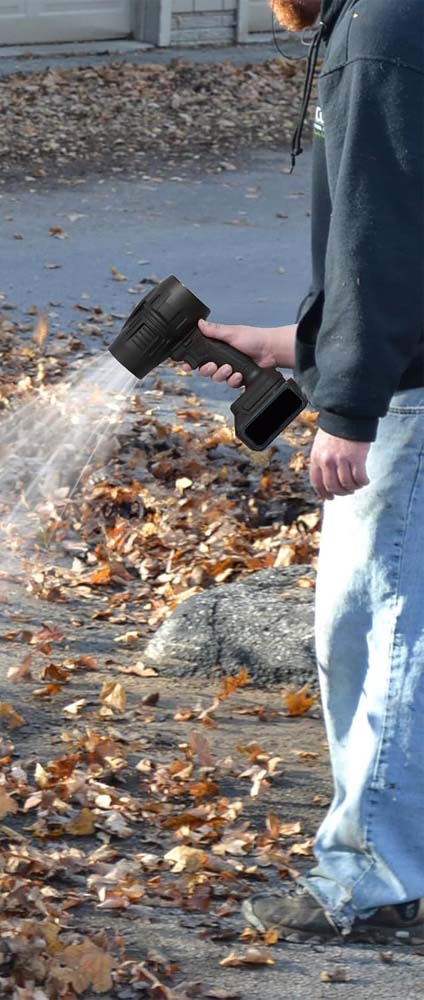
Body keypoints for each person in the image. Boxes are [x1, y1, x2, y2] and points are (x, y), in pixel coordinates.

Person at [187, 0, 424, 939]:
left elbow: (381, 241)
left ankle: (377, 884)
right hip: (399, 377)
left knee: (379, 635)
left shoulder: (382, 31)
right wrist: (293, 344)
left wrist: (350, 405)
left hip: (409, 404)